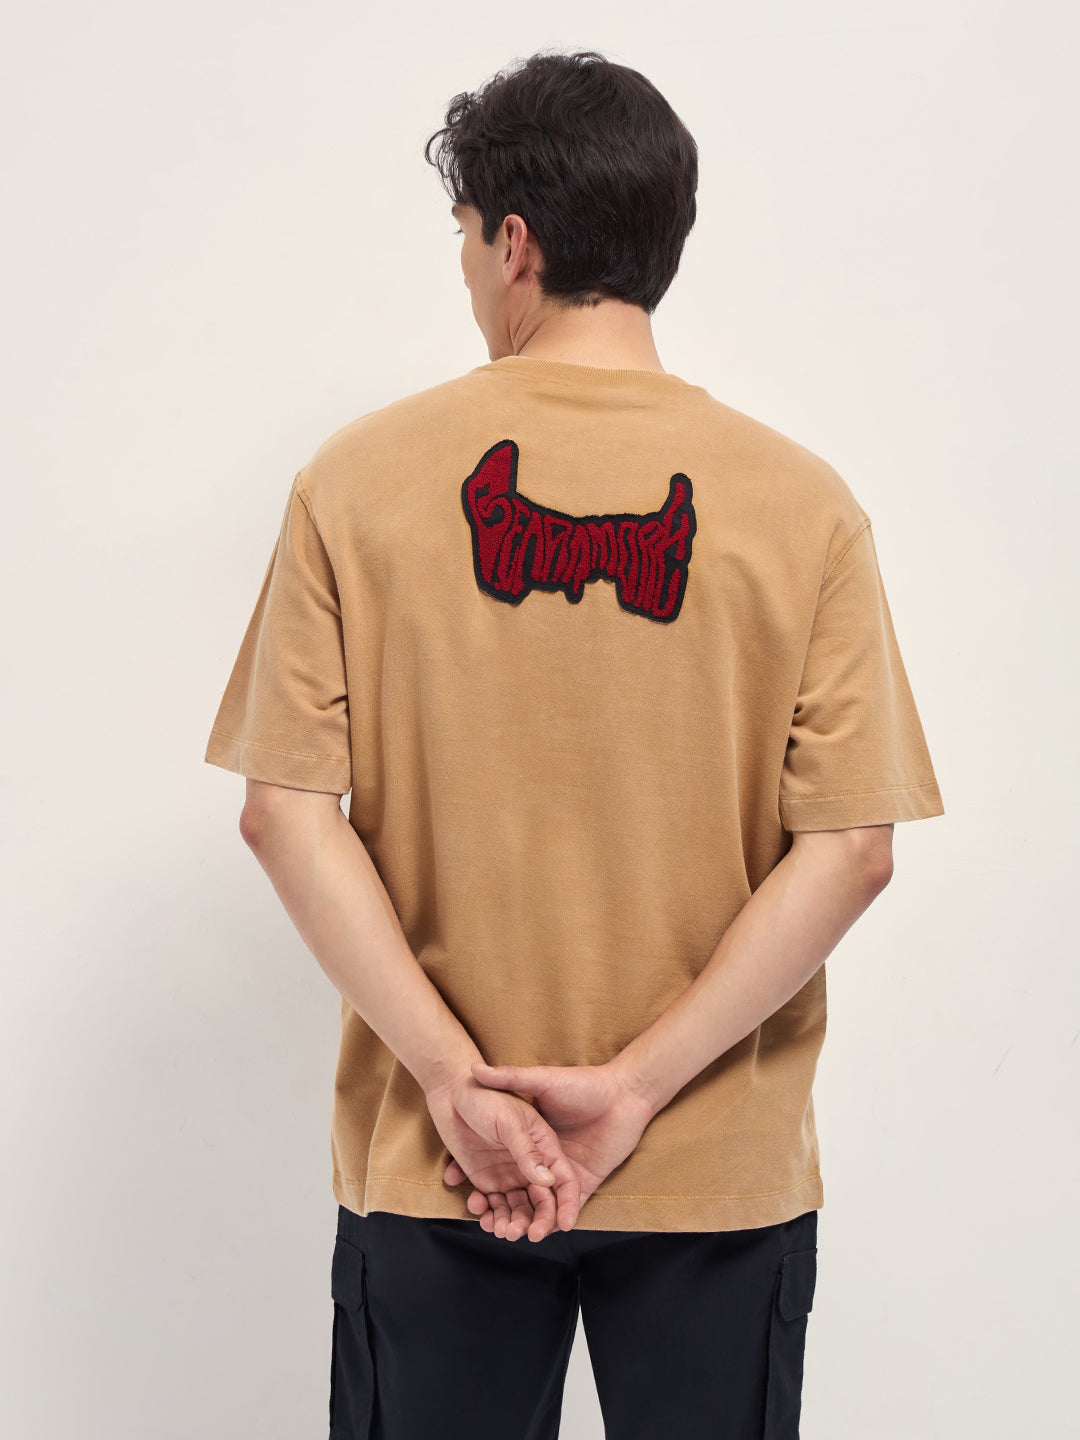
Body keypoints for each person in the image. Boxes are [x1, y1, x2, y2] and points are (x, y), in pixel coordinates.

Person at [203, 46, 944, 1440]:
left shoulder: (354, 484)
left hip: (443, 1164)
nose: (469, 275)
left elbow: (281, 812)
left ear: (516, 246)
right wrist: (634, 1090)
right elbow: (852, 851)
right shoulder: (806, 507)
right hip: (713, 1164)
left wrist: (451, 1079)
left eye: (466, 243)